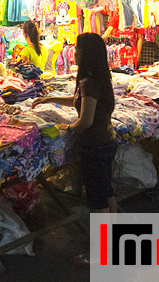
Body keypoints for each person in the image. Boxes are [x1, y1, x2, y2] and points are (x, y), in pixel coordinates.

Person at [32, 32, 117, 213]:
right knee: (106, 192)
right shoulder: (98, 77)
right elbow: (81, 101)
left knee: (97, 199)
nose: (73, 52)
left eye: (77, 49)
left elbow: (85, 121)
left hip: (95, 146)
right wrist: (50, 99)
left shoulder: (89, 81)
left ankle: (104, 241)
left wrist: (67, 127)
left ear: (86, 53)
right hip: (105, 142)